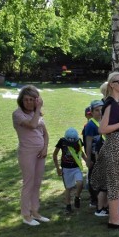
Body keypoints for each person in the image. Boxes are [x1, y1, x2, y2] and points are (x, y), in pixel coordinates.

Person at [89, 73, 119, 228]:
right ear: (111, 85)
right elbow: (102, 128)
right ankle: (114, 220)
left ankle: (116, 217)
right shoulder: (110, 103)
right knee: (115, 183)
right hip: (114, 145)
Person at [13, 85, 50, 226]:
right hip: (27, 153)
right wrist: (38, 109)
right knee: (28, 183)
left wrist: (45, 148)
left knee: (37, 183)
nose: (28, 102)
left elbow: (45, 134)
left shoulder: (37, 114)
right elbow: (33, 125)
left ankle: (35, 212)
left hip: (40, 153)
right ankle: (26, 215)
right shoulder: (18, 114)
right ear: (21, 101)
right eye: (26, 100)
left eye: (32, 100)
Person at [53, 127, 86, 213]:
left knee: (80, 183)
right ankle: (68, 205)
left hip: (76, 167)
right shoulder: (62, 142)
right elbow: (55, 154)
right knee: (68, 188)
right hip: (66, 169)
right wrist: (57, 168)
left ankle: (77, 197)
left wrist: (86, 160)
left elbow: (80, 152)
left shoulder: (78, 141)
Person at [83, 100, 104, 208]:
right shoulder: (90, 125)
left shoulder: (105, 121)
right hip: (94, 156)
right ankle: (94, 199)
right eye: (96, 110)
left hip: (104, 154)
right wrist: (88, 159)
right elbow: (88, 143)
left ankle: (102, 198)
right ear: (91, 112)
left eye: (101, 110)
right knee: (93, 177)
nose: (99, 112)